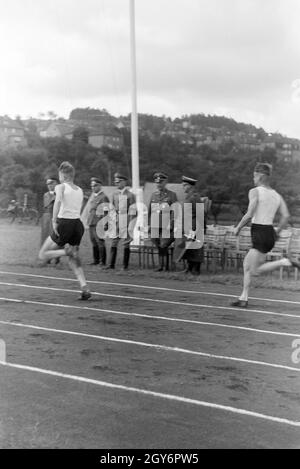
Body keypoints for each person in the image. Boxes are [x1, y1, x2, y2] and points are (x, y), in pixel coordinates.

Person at [231, 162, 298, 308]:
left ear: (260, 176)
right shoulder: (276, 195)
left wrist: (238, 228)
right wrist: (277, 233)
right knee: (247, 265)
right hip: (269, 233)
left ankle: (284, 262)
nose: (253, 178)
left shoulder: (255, 191)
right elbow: (286, 216)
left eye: (254, 175)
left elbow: (249, 214)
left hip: (259, 232)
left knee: (253, 270)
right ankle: (243, 298)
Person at [39, 161, 91, 300]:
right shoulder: (79, 190)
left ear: (63, 175)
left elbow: (58, 202)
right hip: (77, 225)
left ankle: (65, 251)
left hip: (64, 223)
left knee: (43, 254)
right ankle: (84, 287)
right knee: (73, 259)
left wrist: (54, 220)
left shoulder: (60, 187)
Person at [177, 176, 208, 275]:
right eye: (183, 185)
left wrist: (201, 228)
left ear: (190, 186)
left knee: (196, 248)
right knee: (189, 248)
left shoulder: (195, 197)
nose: (183, 187)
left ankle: (196, 269)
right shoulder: (188, 197)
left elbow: (200, 213)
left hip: (195, 226)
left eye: (185, 185)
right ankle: (189, 268)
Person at [148, 172, 177, 271]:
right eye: (157, 183)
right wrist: (149, 225)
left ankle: (165, 266)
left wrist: (172, 224)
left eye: (161, 182)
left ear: (165, 182)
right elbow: (150, 211)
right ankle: (161, 266)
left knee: (164, 244)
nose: (158, 184)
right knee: (158, 244)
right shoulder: (153, 195)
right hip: (155, 225)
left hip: (166, 225)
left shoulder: (172, 195)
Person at [106, 173, 136, 270]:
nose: (117, 184)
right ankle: (111, 265)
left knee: (126, 243)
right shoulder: (114, 194)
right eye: (116, 182)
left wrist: (131, 224)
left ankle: (125, 266)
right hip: (117, 220)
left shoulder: (130, 195)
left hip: (126, 219)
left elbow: (133, 210)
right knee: (114, 242)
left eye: (118, 182)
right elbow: (112, 208)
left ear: (124, 182)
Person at [86, 177, 110, 267]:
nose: (93, 187)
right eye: (92, 186)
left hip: (99, 222)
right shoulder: (94, 197)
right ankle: (95, 260)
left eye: (95, 185)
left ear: (100, 186)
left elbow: (106, 211)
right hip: (92, 222)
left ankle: (102, 261)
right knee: (93, 241)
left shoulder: (103, 197)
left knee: (100, 241)